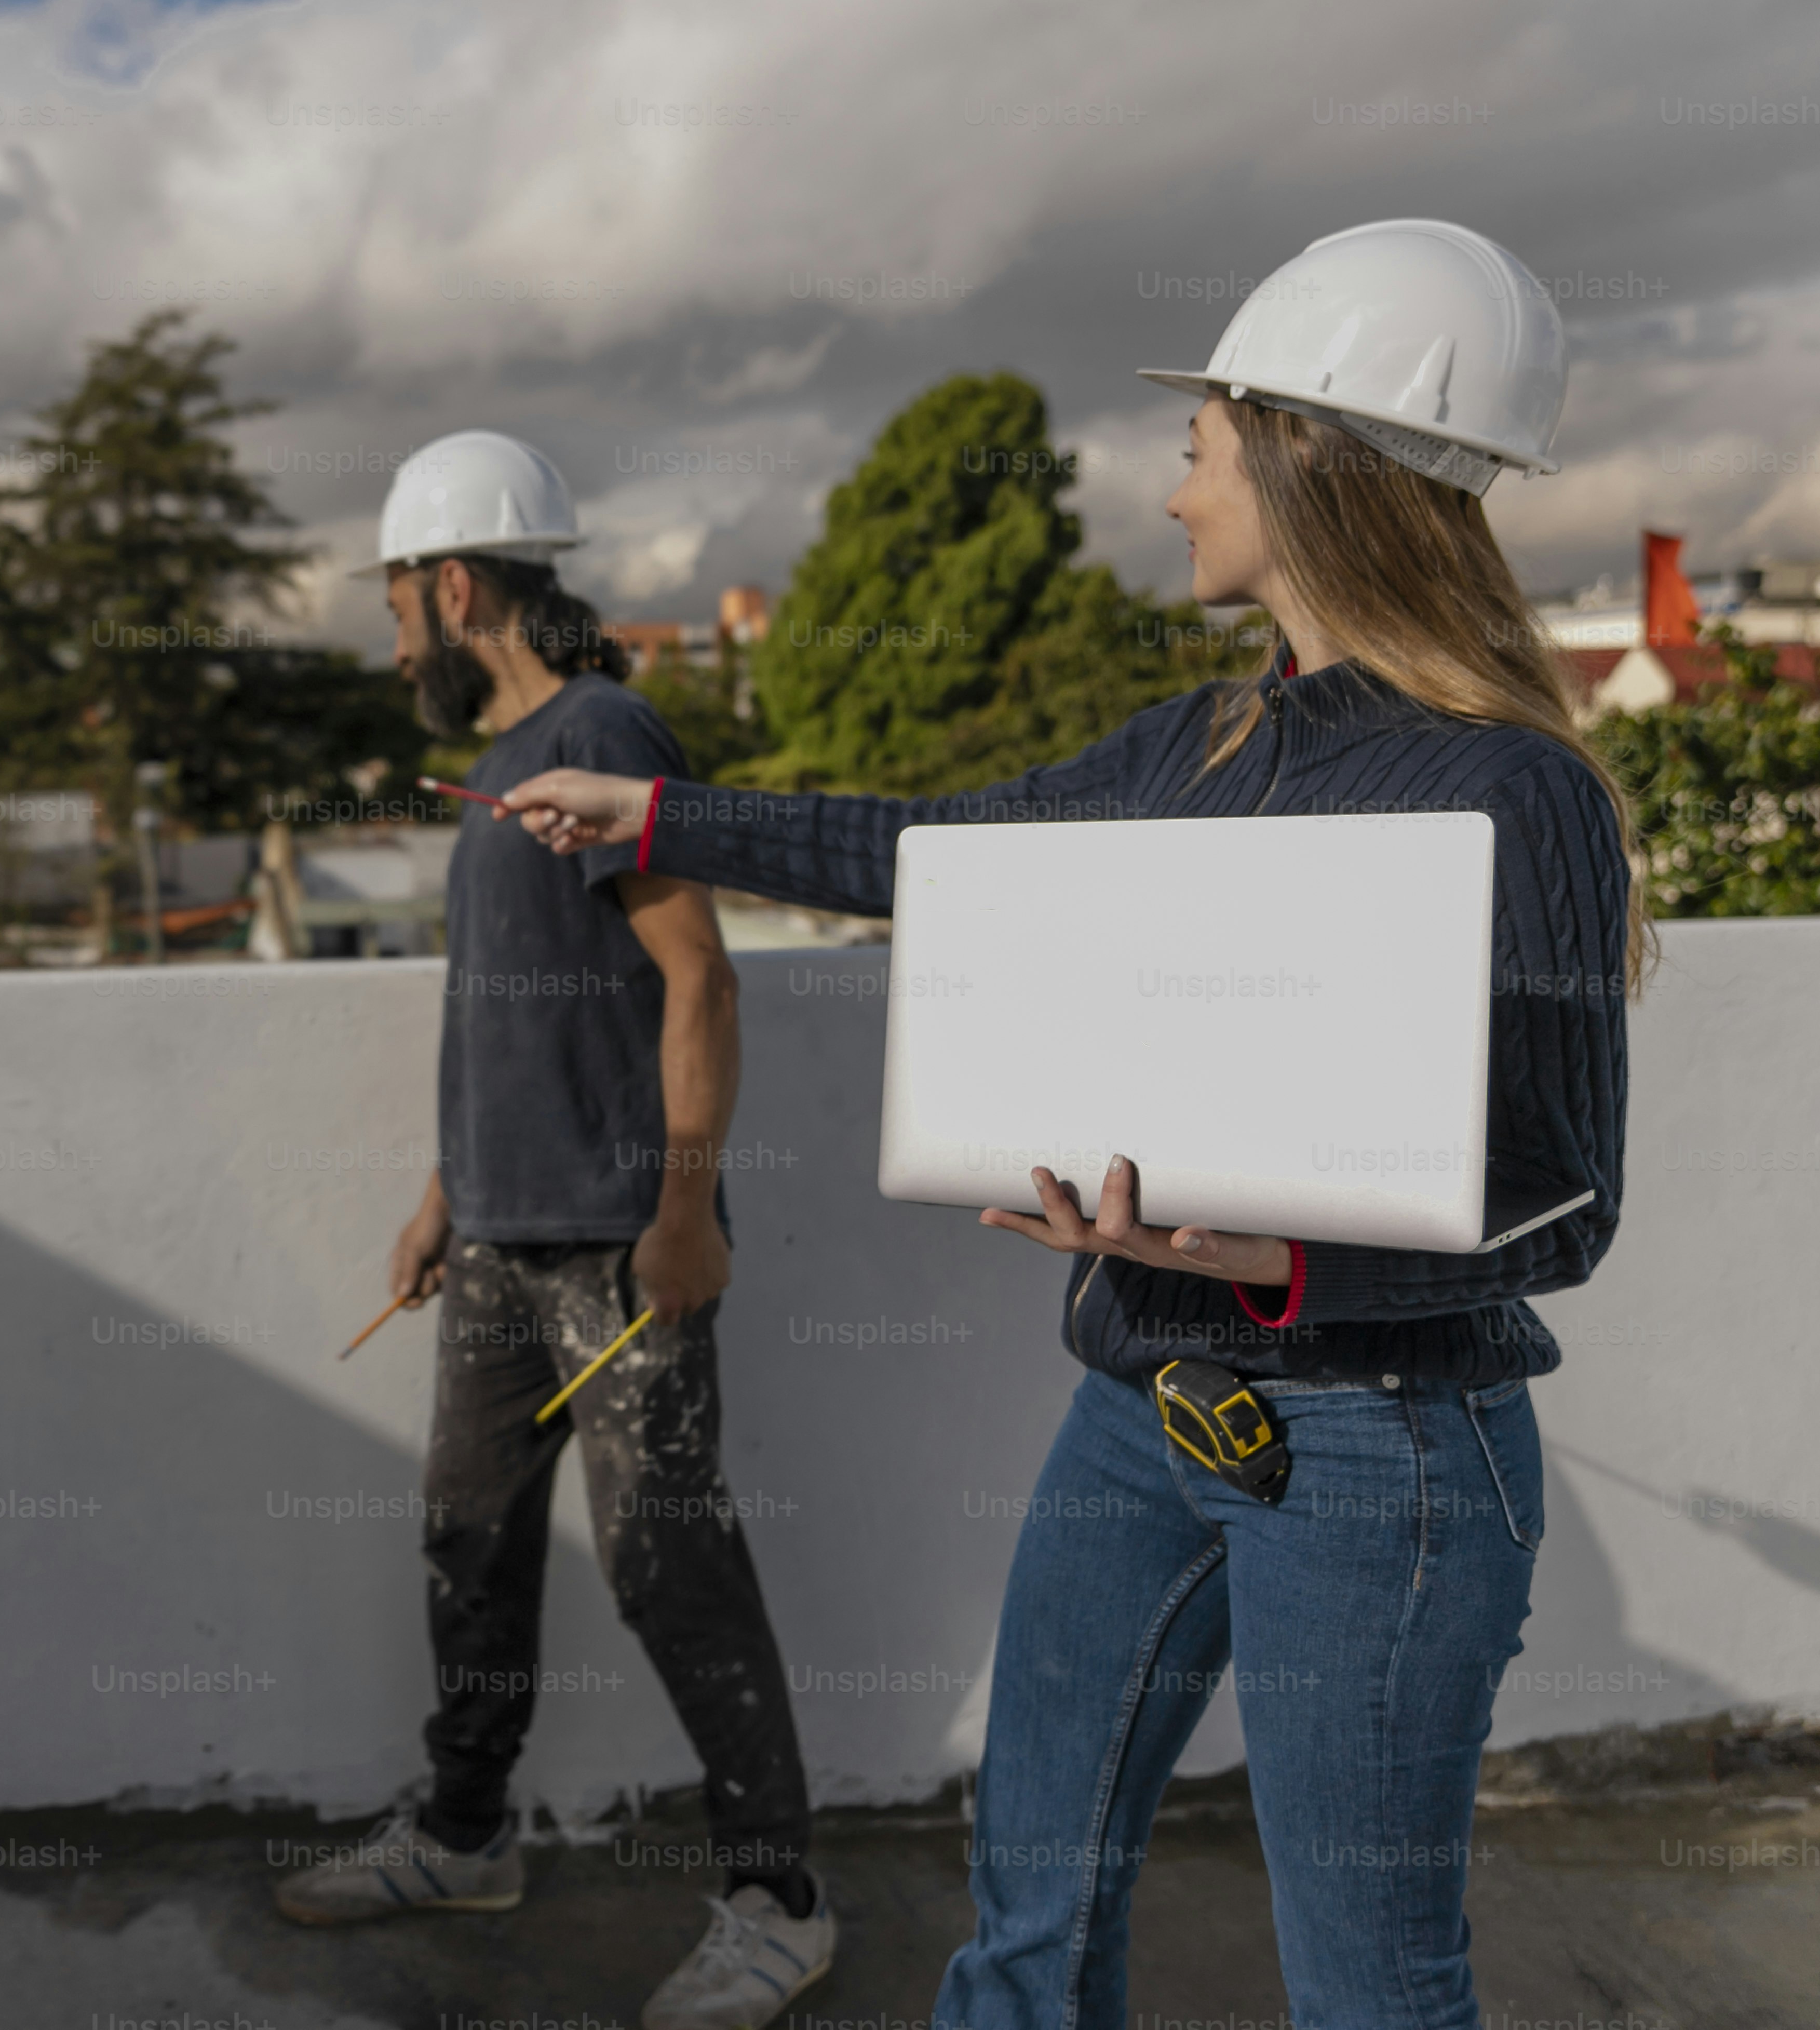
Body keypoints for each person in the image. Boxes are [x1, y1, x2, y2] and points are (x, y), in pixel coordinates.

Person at [505, 221, 1639, 2030]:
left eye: (1198, 444)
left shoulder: (1516, 788)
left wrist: (1266, 1254)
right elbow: (936, 854)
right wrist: (654, 817)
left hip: (1383, 1454)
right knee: (1026, 1911)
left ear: (1303, 455)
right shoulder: (1189, 745)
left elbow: (1562, 1203)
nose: (1173, 486)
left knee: (1368, 1985)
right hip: (1139, 1403)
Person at [273, 432, 835, 2030]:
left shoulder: (602, 734)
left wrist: (680, 1214)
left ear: (453, 587)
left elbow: (698, 980)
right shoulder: (505, 765)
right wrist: (445, 1197)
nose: (392, 645)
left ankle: (777, 1898)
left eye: (395, 606)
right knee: (469, 1539)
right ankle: (463, 1836)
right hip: (501, 1246)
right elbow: (501, 1013)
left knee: (668, 1564)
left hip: (616, 1247)